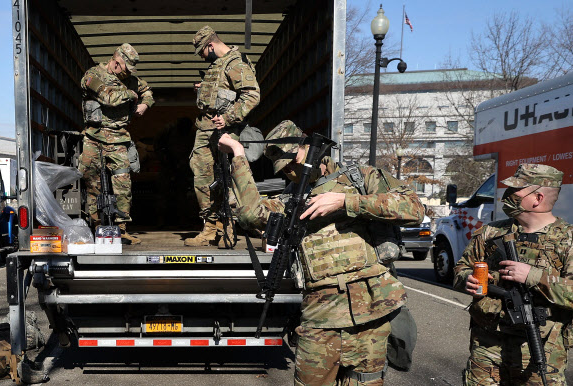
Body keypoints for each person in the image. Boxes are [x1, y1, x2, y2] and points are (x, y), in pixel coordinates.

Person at [218, 121, 424, 386]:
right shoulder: (290, 201)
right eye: (285, 169)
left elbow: (414, 209)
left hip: (372, 314)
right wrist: (237, 153)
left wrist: (346, 202)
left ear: (307, 146)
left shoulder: (360, 178)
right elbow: (249, 214)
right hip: (320, 318)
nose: (291, 172)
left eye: (293, 162)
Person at [453, 164, 573, 385]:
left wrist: (534, 276)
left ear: (537, 198)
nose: (507, 194)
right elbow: (461, 268)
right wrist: (466, 280)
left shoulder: (568, 240)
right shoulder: (490, 233)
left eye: (516, 190)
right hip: (487, 345)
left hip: (540, 350)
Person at [184, 25, 260, 247]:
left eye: (201, 51)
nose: (200, 56)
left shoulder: (236, 62)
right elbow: (223, 90)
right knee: (203, 178)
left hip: (225, 129)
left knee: (227, 179)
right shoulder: (216, 65)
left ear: (210, 45)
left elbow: (252, 95)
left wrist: (228, 118)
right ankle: (210, 228)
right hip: (206, 129)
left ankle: (227, 227)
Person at [79, 43, 154, 245]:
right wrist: (131, 95)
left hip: (119, 139)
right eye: (126, 68)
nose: (128, 74)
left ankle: (121, 229)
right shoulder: (92, 75)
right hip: (94, 137)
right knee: (91, 183)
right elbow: (109, 97)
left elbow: (147, 91)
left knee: (123, 185)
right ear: (117, 62)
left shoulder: (130, 80)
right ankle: (97, 228)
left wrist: (145, 103)